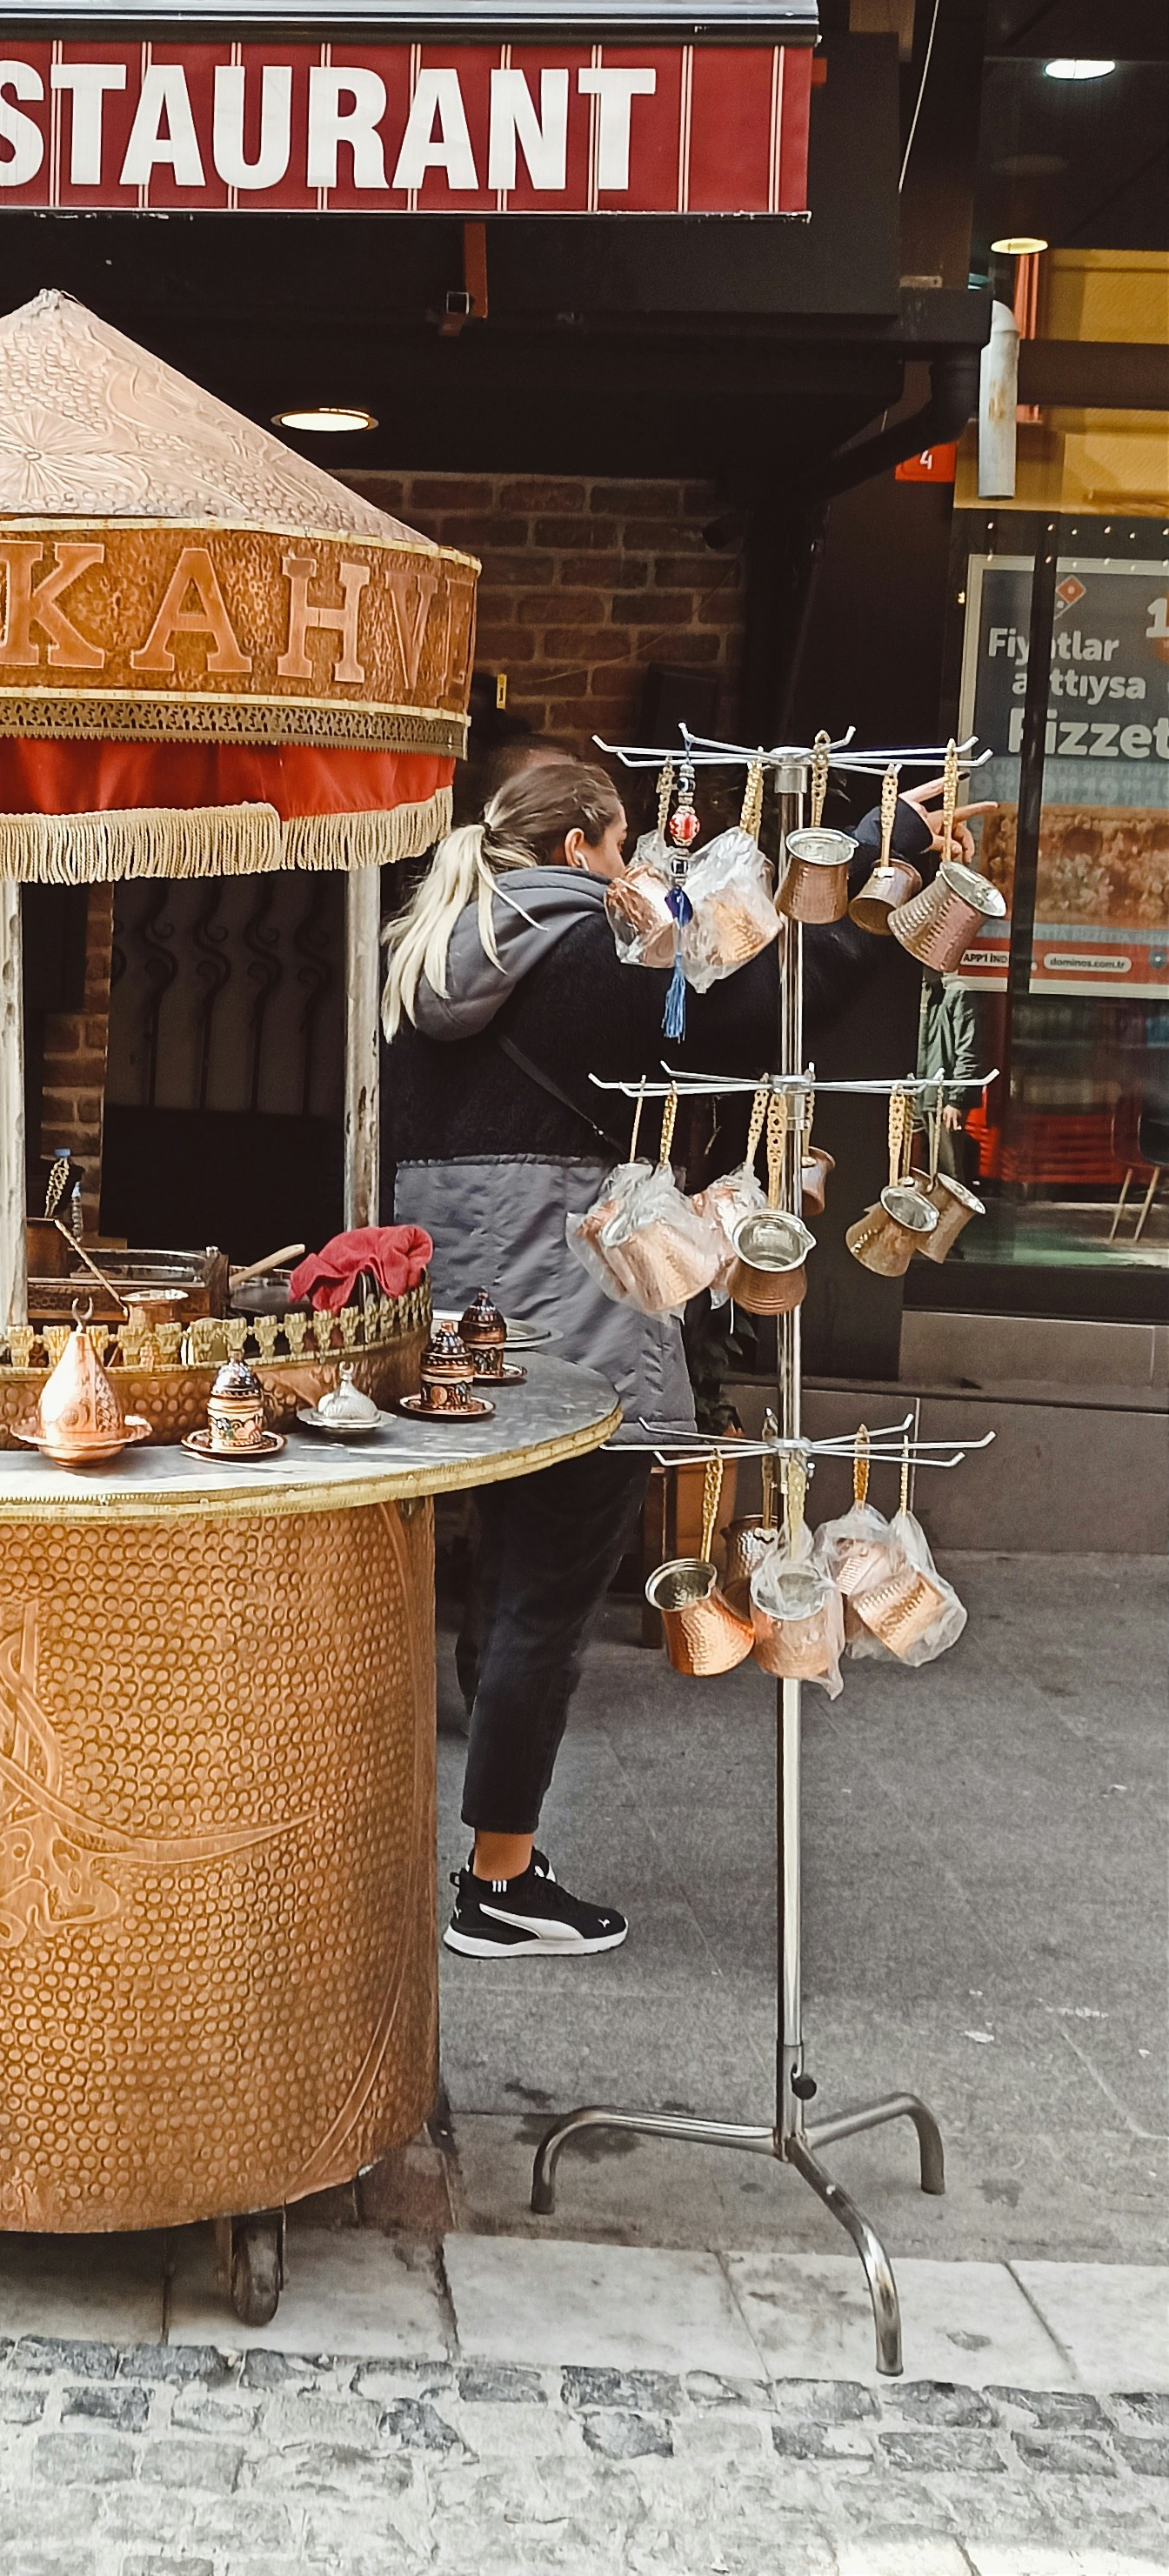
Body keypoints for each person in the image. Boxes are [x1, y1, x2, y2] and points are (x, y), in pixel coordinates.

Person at [382, 746, 952, 1961]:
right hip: (577, 1301)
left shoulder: (433, 949)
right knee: (544, 1597)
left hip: (446, 1302)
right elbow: (755, 1016)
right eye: (624, 842)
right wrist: (874, 859)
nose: (637, 864)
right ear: (582, 845)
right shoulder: (592, 942)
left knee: (454, 1591)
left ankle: (418, 1856)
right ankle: (497, 1883)